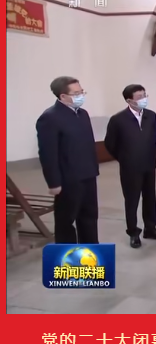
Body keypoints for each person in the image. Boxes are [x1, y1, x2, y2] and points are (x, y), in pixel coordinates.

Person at [36, 76, 99, 244]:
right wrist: (53, 183)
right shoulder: (50, 118)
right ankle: (68, 257)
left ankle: (90, 252)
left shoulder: (83, 114)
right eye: (76, 93)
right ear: (63, 96)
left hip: (88, 174)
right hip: (68, 179)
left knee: (89, 217)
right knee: (66, 221)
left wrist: (94, 169)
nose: (81, 96)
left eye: (82, 91)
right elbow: (48, 153)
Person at [104, 84, 156, 248]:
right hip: (130, 168)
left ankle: (150, 228)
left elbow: (152, 139)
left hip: (149, 164)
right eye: (139, 97)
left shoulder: (151, 116)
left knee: (150, 198)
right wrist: (124, 158)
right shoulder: (118, 119)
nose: (143, 99)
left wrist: (152, 156)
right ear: (129, 100)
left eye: (144, 95)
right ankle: (133, 232)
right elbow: (110, 144)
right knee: (132, 200)